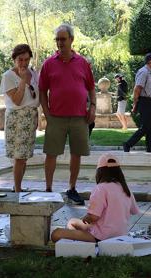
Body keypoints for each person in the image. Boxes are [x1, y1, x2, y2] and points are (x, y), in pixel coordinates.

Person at [39, 23, 96, 205]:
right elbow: (42, 91)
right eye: (57, 39)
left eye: (63, 39)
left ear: (71, 40)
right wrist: (47, 114)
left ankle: (72, 188)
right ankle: (48, 189)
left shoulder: (83, 63)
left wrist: (93, 107)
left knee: (76, 154)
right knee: (51, 154)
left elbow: (91, 88)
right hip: (56, 117)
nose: (59, 43)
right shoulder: (48, 64)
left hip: (80, 117)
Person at [51, 153, 140, 242]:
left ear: (99, 172)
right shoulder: (125, 188)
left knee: (56, 233)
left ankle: (81, 243)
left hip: (101, 237)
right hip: (121, 235)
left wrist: (86, 217)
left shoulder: (100, 188)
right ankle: (78, 241)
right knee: (72, 222)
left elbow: (93, 217)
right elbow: (133, 210)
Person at [0, 44, 39, 192]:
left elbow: (36, 97)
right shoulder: (8, 76)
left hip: (30, 117)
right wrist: (22, 80)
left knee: (25, 156)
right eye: (20, 60)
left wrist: (37, 118)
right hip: (17, 118)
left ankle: (18, 186)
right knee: (19, 157)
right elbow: (16, 100)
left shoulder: (34, 73)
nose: (24, 63)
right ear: (14, 59)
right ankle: (17, 190)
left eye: (26, 60)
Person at [123, 53, 151, 152]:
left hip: (150, 101)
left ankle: (150, 148)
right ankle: (128, 144)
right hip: (144, 101)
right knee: (145, 127)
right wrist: (135, 104)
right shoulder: (143, 72)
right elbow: (137, 89)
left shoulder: (149, 72)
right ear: (150, 61)